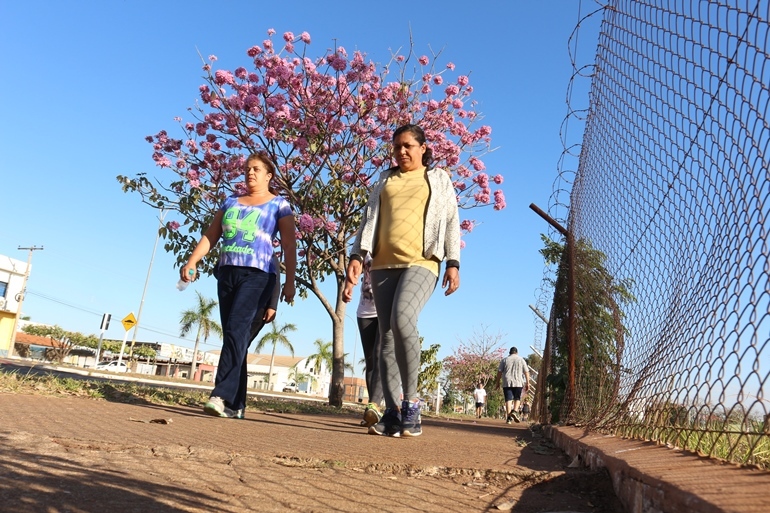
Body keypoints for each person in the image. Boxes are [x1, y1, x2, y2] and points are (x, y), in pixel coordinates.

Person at [343, 123, 461, 438]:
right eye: (397, 147)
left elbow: (451, 220)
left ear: (423, 147)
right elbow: (368, 219)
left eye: (408, 145)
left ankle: (411, 404)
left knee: (402, 318)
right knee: (385, 337)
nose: (402, 151)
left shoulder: (437, 178)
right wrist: (356, 257)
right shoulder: (384, 179)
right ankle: (393, 413)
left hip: (423, 261)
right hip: (381, 264)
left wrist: (453, 261)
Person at [180, 151, 296, 419]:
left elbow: (289, 245)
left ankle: (220, 395)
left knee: (236, 330)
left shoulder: (280, 204)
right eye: (247, 169)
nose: (250, 173)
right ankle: (236, 405)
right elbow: (211, 234)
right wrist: (192, 261)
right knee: (236, 337)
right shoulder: (230, 202)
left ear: (269, 175)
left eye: (256, 169)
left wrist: (288, 282)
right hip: (227, 272)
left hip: (259, 275)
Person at [357, 254, 384, 427]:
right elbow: (357, 267)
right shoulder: (365, 243)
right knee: (370, 361)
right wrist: (348, 285)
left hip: (386, 308)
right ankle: (371, 411)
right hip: (365, 309)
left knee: (379, 354)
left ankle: (375, 405)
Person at [495, 347, 530, 424]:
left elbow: (499, 372)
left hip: (507, 382)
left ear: (509, 352)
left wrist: (497, 382)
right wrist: (528, 382)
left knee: (508, 399)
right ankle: (514, 411)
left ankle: (508, 417)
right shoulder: (521, 360)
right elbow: (526, 372)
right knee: (517, 398)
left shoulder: (504, 360)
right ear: (516, 352)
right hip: (518, 382)